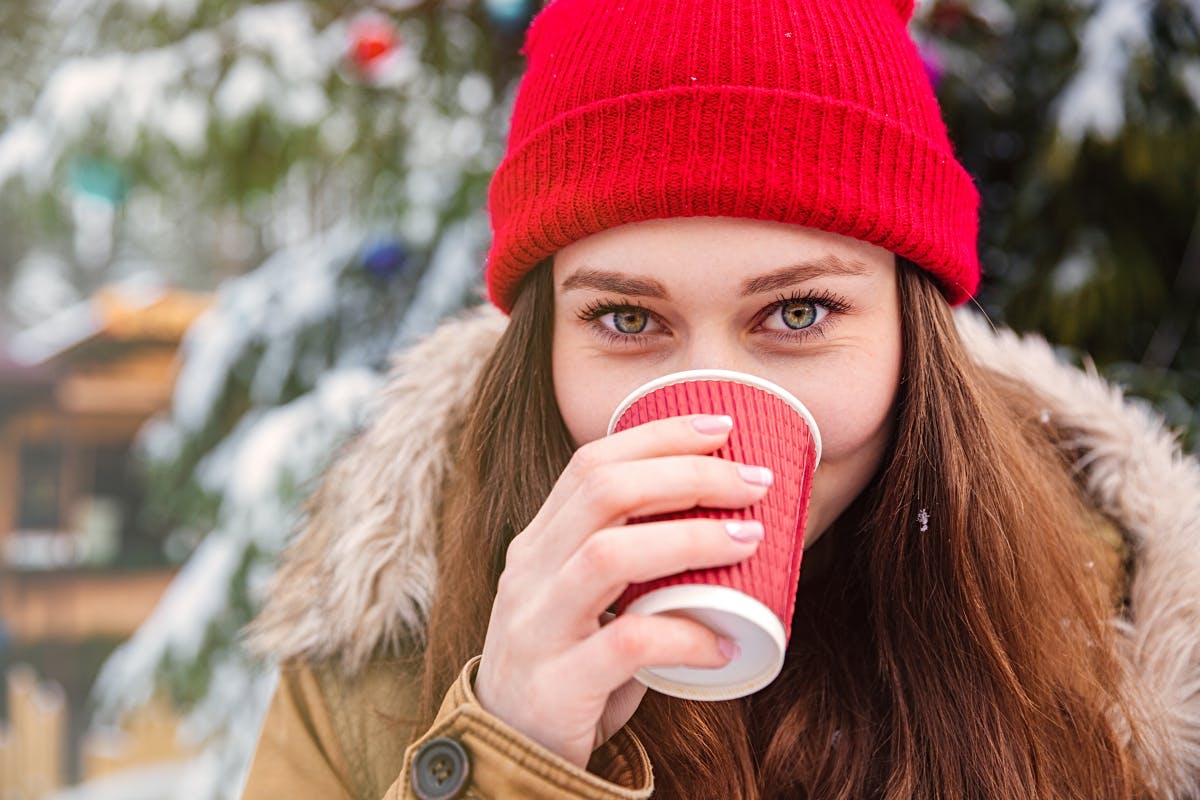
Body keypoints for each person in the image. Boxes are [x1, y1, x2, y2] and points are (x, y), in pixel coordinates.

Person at [242, 0, 1200, 797]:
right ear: (544, 346)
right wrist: (505, 754)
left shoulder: (1138, 638)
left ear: (914, 335)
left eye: (798, 311)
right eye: (626, 319)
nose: (713, 422)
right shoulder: (371, 661)